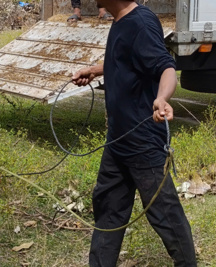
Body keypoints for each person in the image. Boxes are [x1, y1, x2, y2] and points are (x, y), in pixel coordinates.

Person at [72, 0, 197, 266]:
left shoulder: (141, 23)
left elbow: (166, 67)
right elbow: (125, 60)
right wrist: (94, 70)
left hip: (143, 144)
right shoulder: (120, 20)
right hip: (117, 142)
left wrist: (162, 99)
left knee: (166, 217)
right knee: (108, 212)